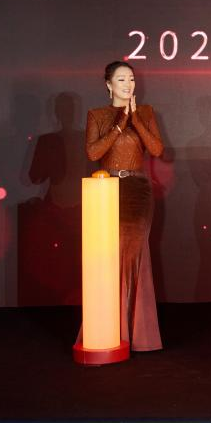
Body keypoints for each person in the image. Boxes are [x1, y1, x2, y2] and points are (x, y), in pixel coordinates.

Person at [82, 61, 164, 351]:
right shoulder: (97, 115)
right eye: (121, 79)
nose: (128, 84)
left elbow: (156, 149)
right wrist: (120, 123)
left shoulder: (146, 112)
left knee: (134, 256)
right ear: (109, 85)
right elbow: (93, 153)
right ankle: (107, 327)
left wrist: (135, 119)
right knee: (109, 257)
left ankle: (136, 333)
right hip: (106, 190)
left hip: (137, 191)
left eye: (131, 79)